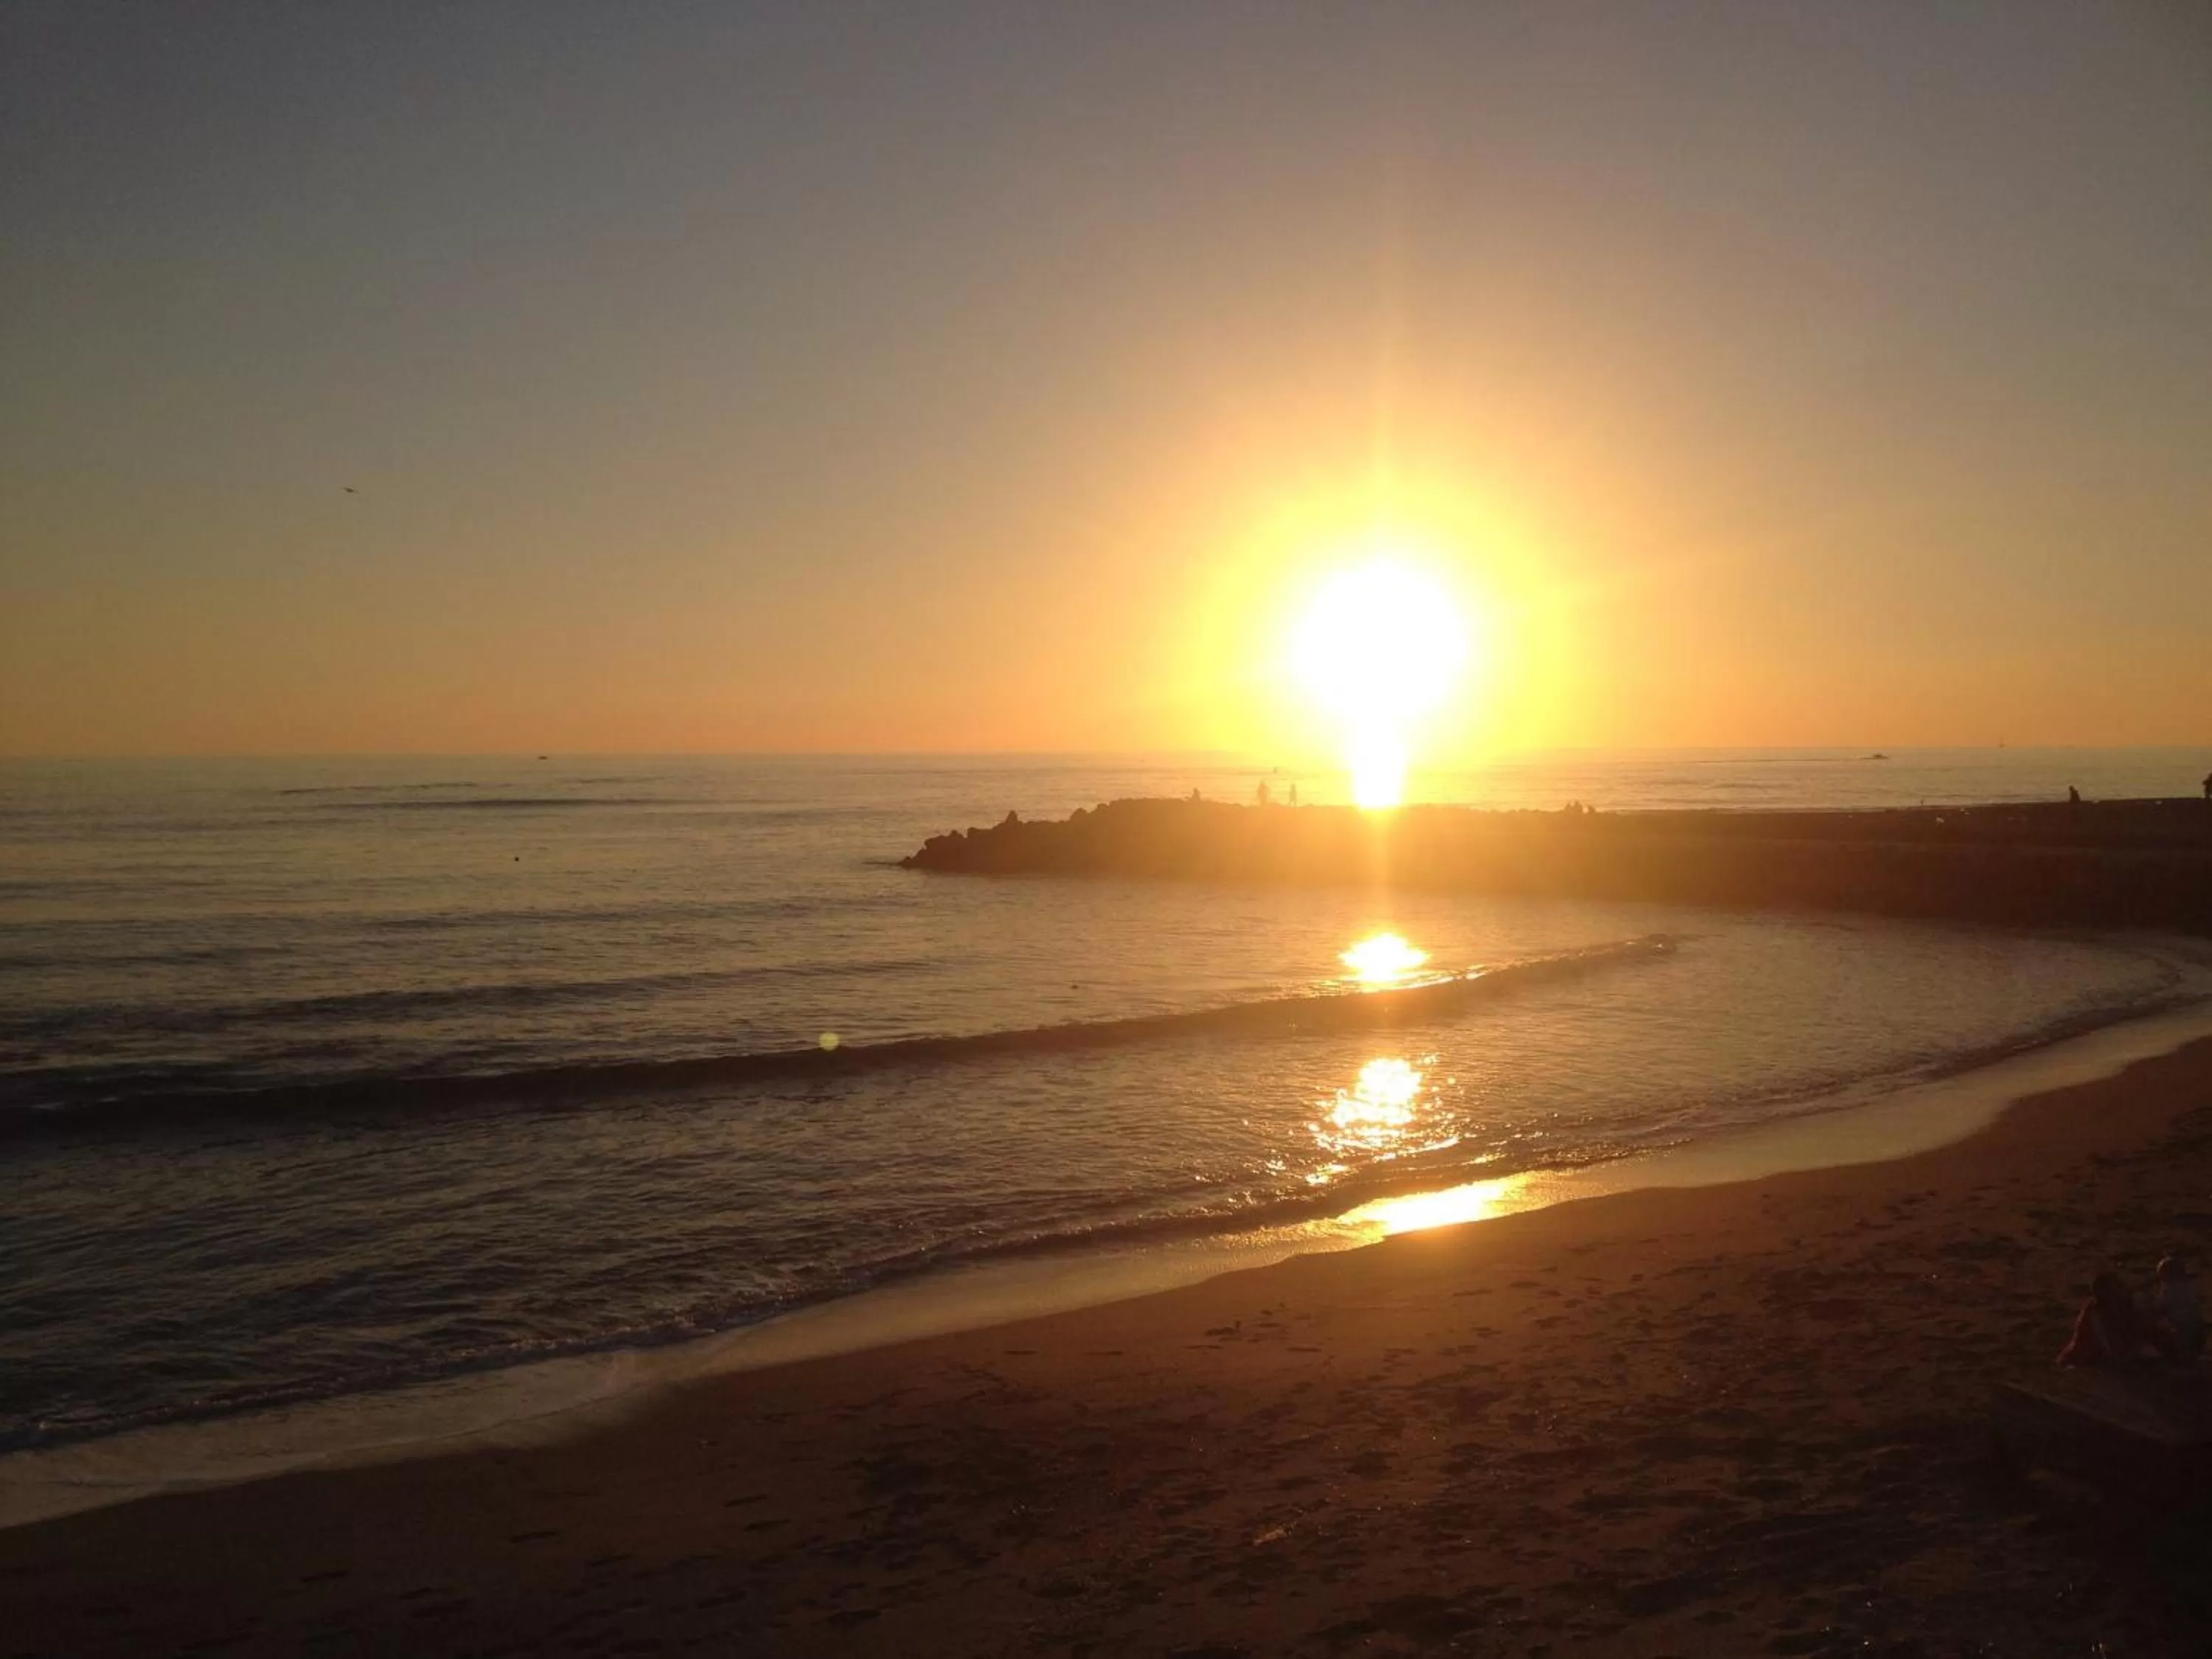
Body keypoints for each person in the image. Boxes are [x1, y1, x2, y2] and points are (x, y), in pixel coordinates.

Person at [2056, 1270, 2158, 1366]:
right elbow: (2106, 1344)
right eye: (2118, 1286)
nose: (2124, 1287)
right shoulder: (2097, 1313)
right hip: (2094, 1354)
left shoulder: (2125, 1303)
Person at [2152, 1256, 2204, 1363]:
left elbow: (2159, 1309)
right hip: (2197, 1330)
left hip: (2183, 1332)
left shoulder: (2170, 1290)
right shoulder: (2188, 1287)